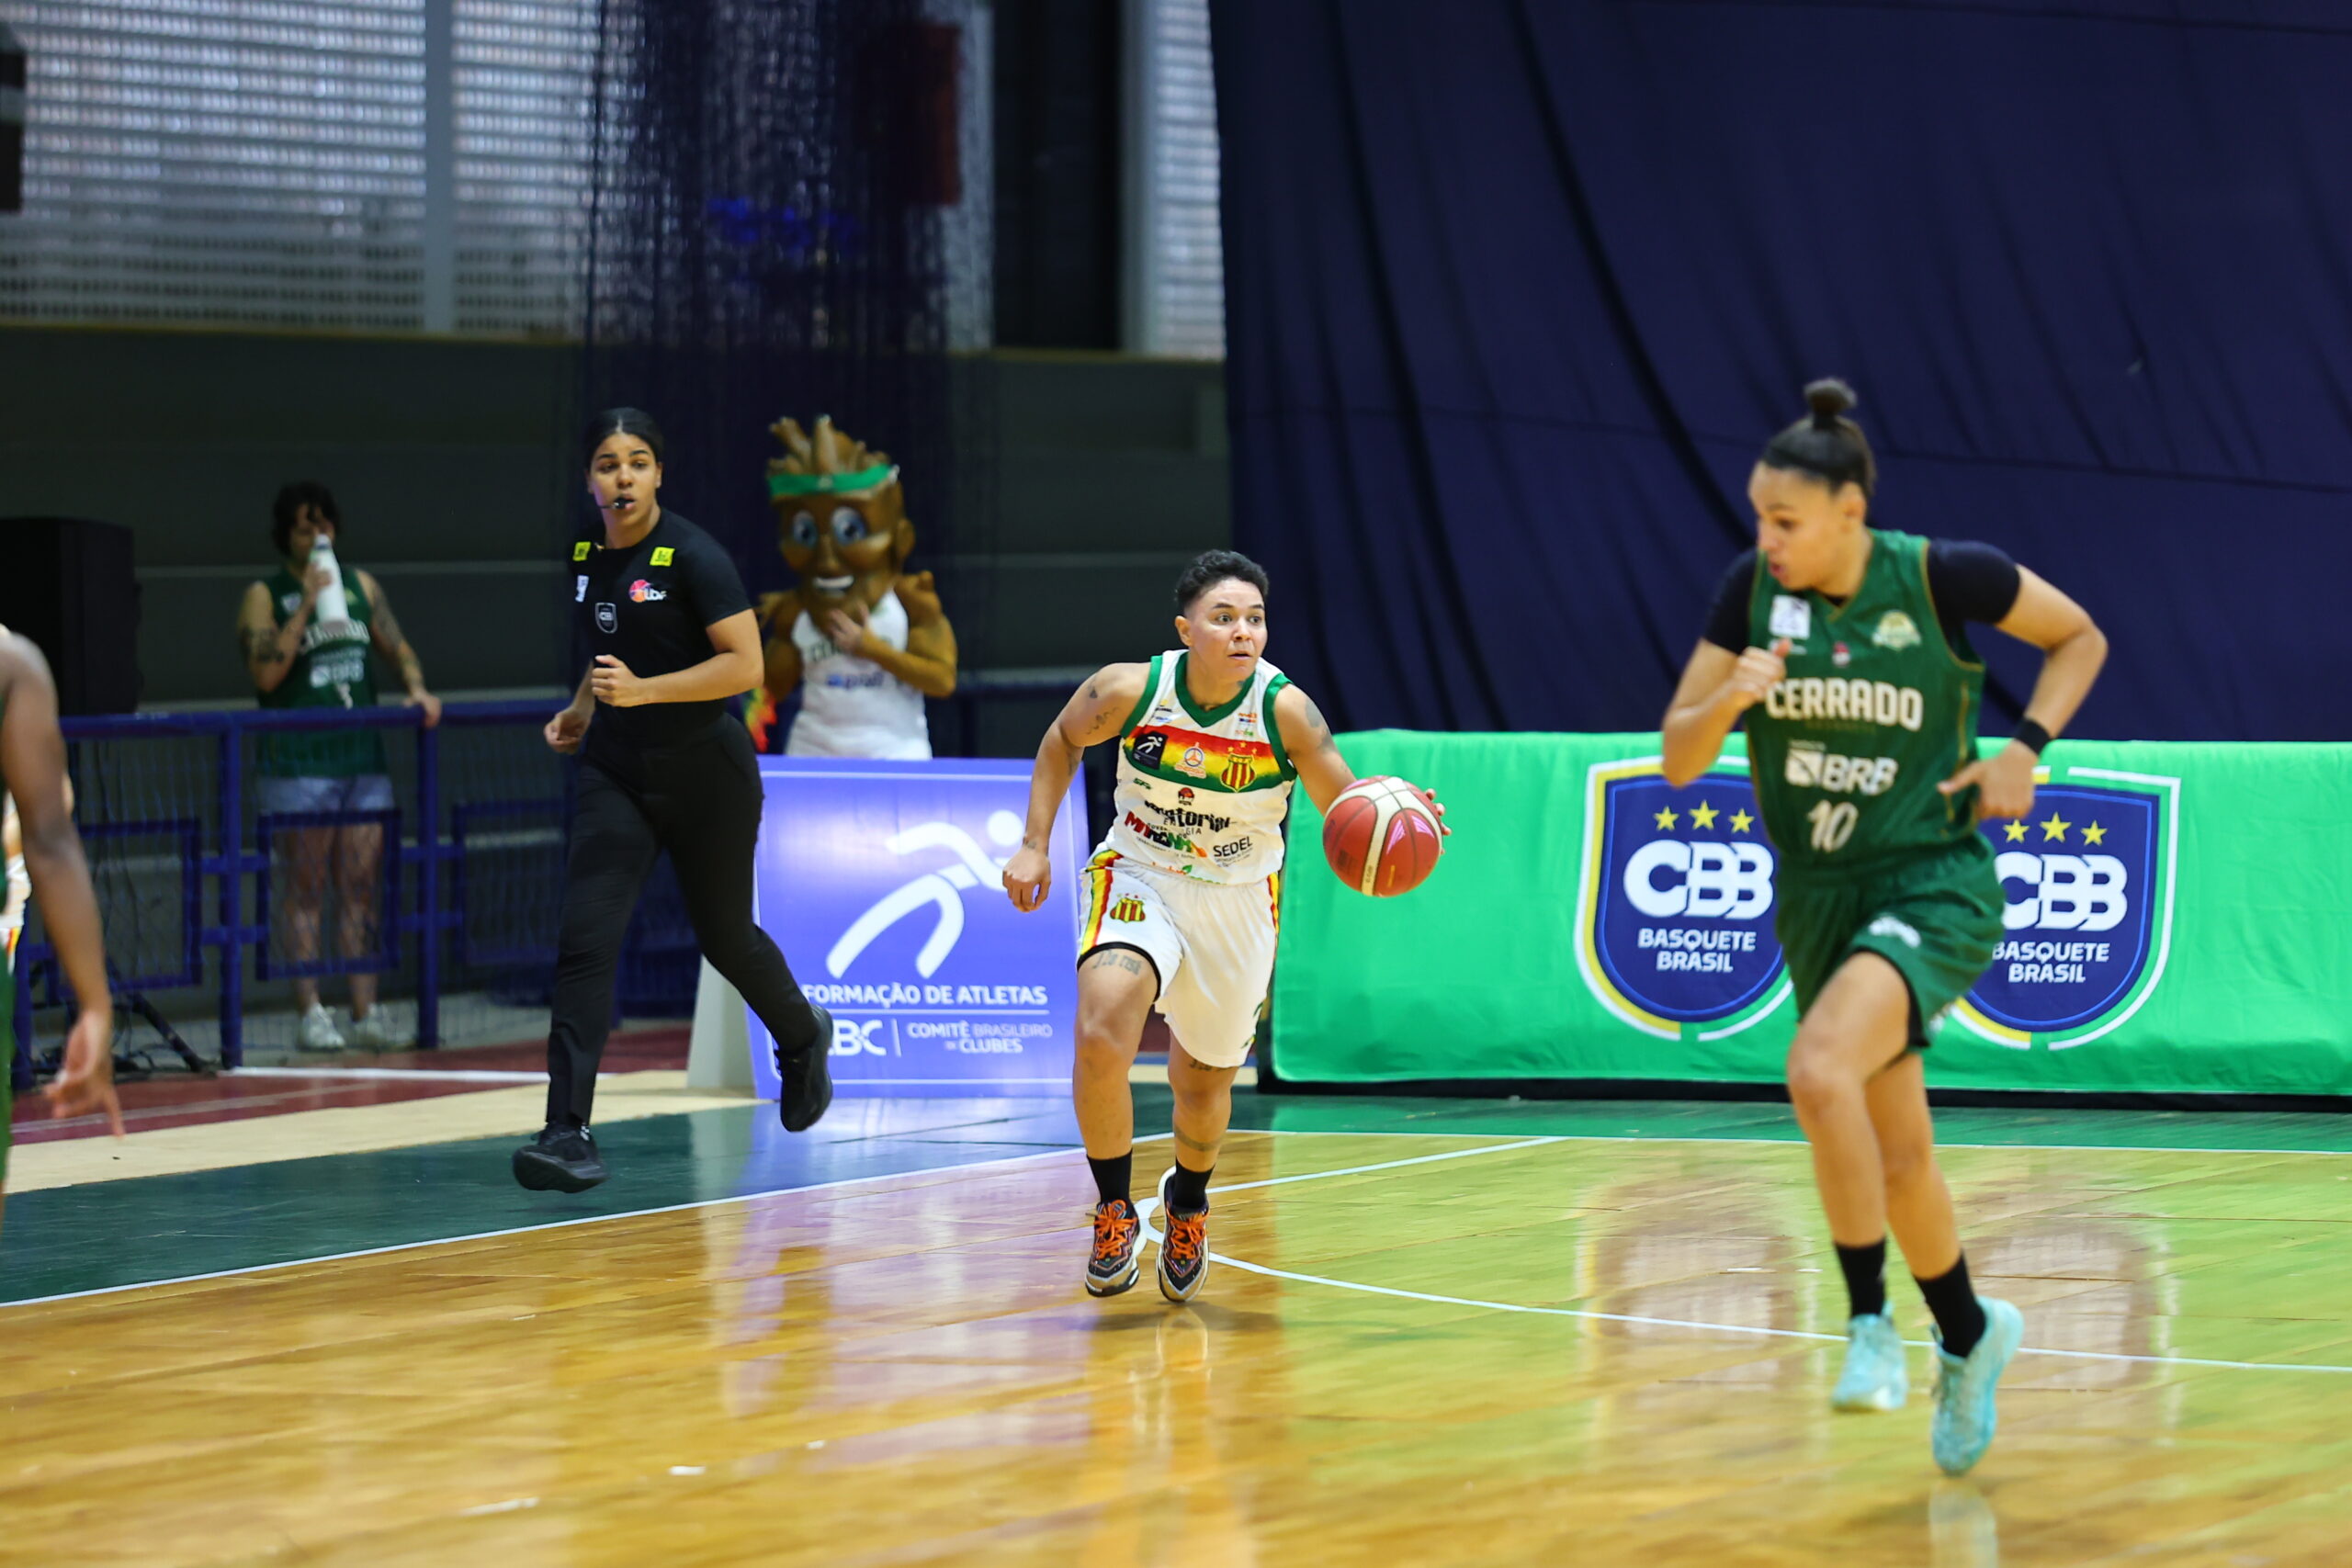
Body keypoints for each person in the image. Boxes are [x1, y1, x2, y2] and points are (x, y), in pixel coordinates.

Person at [1660, 379, 2108, 1475]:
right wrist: (1731, 700)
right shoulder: (1749, 595)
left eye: (1785, 520)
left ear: (1849, 511)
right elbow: (1676, 756)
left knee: (1817, 1072)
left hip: (1930, 880)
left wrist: (2023, 750)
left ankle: (1867, 1323)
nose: (1765, 539)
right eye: (1758, 518)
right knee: (1901, 1157)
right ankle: (1969, 1332)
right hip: (1817, 894)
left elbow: (2078, 638)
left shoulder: (1942, 575)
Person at [1001, 549, 1442, 1303]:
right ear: (1186, 630)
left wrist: (1399, 817)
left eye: (1255, 619)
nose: (1244, 631)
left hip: (1238, 898)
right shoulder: (1130, 689)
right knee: (1102, 1029)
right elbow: (1062, 740)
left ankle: (1188, 1204)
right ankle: (1114, 1209)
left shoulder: (1286, 711)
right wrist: (1034, 843)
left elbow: (1348, 805)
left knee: (1201, 1085)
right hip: (1139, 874)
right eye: (1225, 617)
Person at [514, 408, 835, 1193]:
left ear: (659, 474)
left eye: (637, 461)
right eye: (607, 463)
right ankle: (567, 1131)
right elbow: (610, 651)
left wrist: (645, 691)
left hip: (707, 775)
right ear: (589, 480)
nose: (622, 476)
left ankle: (802, 1035)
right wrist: (582, 709)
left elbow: (747, 666)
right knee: (586, 940)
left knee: (725, 937)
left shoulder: (694, 556)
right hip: (617, 774)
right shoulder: (585, 554)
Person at [237, 482, 441, 1052]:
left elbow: (398, 647)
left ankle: (365, 1010)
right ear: (286, 535)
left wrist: (417, 688)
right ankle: (311, 1012)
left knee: (360, 888)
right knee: (305, 888)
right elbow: (265, 674)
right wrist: (306, 602)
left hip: (361, 763)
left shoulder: (361, 586)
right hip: (298, 766)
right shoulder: (264, 595)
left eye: (323, 525)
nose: (316, 536)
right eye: (304, 528)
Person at [0, 631, 120, 1235]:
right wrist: (94, 1004)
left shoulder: (11, 665)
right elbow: (49, 840)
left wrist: (96, 1005)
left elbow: (48, 836)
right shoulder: (11, 664)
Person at [756, 415, 957, 759]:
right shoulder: (796, 609)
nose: (827, 557)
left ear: (900, 537)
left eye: (850, 531)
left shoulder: (910, 600)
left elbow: (942, 680)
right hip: (813, 751)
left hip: (893, 752)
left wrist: (873, 650)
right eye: (806, 533)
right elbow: (770, 688)